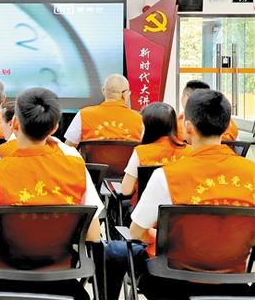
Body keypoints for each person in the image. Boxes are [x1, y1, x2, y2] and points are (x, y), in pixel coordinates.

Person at [0, 88, 103, 298]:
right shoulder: (76, 168)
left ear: (14, 123)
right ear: (55, 128)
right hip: (59, 279)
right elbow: (93, 234)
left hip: (0, 278)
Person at [105, 89, 255, 300]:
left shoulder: (167, 176)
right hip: (234, 283)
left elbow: (136, 231)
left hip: (170, 283)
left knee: (116, 250)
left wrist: (163, 238)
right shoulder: (251, 173)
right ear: (225, 126)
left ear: (188, 127)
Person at [120, 102, 191, 198]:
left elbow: (126, 190)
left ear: (147, 127)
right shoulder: (190, 151)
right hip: (180, 205)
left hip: (147, 205)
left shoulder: (141, 152)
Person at [64, 74, 143, 148]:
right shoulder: (139, 119)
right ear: (125, 94)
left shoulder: (83, 114)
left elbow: (68, 147)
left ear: (103, 91)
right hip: (128, 159)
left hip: (91, 159)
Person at [0, 99, 81, 161]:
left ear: (13, 123)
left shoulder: (1, 153)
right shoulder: (70, 154)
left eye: (0, 122)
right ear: (54, 128)